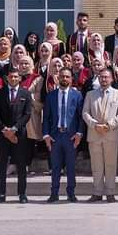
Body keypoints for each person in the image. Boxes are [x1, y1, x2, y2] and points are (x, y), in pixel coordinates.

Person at [81, 68, 118, 203]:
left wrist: (109, 125)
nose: (104, 79)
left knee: (111, 165)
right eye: (101, 77)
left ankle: (110, 193)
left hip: (111, 133)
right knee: (96, 165)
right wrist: (95, 125)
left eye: (106, 77)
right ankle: (97, 192)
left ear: (112, 79)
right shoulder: (90, 94)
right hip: (94, 133)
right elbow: (85, 112)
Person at [42, 67, 84, 203]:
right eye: (62, 76)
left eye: (67, 76)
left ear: (71, 79)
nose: (64, 79)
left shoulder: (77, 95)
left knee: (71, 167)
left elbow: (81, 117)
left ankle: (71, 193)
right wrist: (46, 135)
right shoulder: (51, 96)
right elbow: (46, 117)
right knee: (55, 167)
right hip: (55, 136)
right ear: (58, 78)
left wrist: (79, 134)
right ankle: (54, 193)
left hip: (70, 136)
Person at [0, 67, 31, 203]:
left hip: (19, 134)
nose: (13, 79)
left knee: (21, 165)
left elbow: (27, 114)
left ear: (19, 78)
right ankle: (1, 194)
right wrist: (4, 129)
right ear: (7, 78)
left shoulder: (25, 93)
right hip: (2, 134)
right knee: (2, 165)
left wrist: (14, 129)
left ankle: (22, 194)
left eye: (16, 77)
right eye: (11, 77)